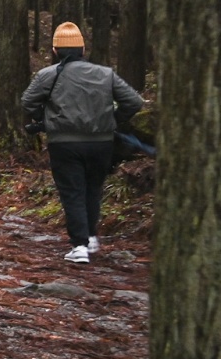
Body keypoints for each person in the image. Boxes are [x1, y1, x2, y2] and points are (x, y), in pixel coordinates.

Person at [21, 22, 145, 264]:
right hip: (101, 143)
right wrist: (112, 121)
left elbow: (28, 102)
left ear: (55, 50)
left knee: (72, 191)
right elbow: (134, 101)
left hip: (64, 144)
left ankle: (79, 246)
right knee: (93, 189)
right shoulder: (105, 74)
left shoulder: (48, 75)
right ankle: (89, 237)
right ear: (83, 49)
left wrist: (44, 119)